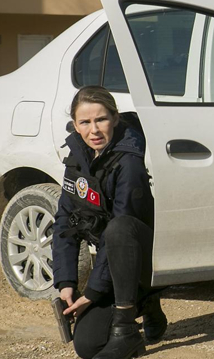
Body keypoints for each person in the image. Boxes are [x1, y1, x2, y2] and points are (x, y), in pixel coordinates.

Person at [52, 86, 167, 359]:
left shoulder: (130, 163)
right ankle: (145, 304)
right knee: (88, 345)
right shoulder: (77, 160)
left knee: (120, 228)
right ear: (75, 125)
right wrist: (66, 281)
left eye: (101, 119)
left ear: (115, 118)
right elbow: (64, 222)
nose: (94, 130)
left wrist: (92, 292)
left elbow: (122, 228)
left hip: (142, 258)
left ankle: (128, 326)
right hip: (111, 264)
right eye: (85, 122)